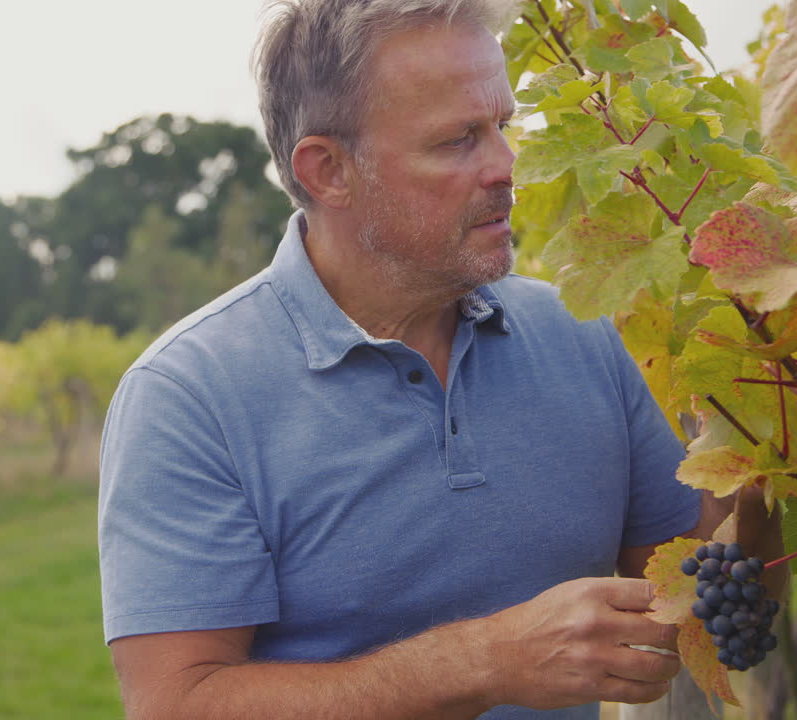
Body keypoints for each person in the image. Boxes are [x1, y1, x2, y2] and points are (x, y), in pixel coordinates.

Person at [99, 1, 748, 717]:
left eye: (502, 127)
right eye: (458, 140)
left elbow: (708, 616)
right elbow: (176, 703)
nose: (506, 166)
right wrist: (481, 663)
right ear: (328, 171)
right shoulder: (189, 395)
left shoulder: (583, 336)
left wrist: (777, 449)